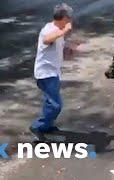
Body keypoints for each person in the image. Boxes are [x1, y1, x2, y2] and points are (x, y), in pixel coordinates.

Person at [29, 3, 73, 137]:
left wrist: (66, 50)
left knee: (51, 102)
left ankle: (46, 126)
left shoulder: (57, 30)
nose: (70, 21)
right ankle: (38, 126)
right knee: (55, 105)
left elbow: (54, 44)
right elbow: (47, 39)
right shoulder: (49, 30)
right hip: (46, 74)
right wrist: (65, 31)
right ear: (64, 18)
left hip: (53, 72)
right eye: (69, 18)